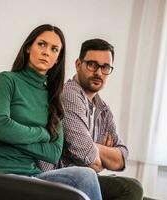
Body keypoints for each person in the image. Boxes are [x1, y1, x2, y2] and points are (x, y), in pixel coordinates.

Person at [0, 24, 102, 200]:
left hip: (33, 176)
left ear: (57, 59)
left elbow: (52, 153)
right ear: (29, 47)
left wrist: (11, 136)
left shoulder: (54, 98)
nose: (46, 52)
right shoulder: (6, 81)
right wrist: (42, 133)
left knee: (86, 175)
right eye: (41, 44)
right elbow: (0, 127)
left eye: (54, 49)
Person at [38, 38, 144, 200]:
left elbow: (122, 158)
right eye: (92, 65)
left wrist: (92, 148)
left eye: (105, 67)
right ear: (78, 64)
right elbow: (85, 154)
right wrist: (99, 154)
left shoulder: (103, 109)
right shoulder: (69, 94)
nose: (99, 72)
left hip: (85, 177)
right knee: (131, 188)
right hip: (61, 178)